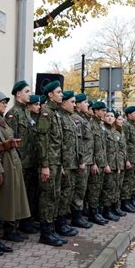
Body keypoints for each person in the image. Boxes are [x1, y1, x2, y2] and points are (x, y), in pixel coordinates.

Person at [0, 91, 31, 252]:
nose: (4, 104)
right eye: (1, 102)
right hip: (1, 168)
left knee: (3, 206)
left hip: (11, 166)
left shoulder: (1, 121)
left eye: (5, 102)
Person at [5, 81, 39, 235]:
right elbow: (11, 141)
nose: (29, 94)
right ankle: (11, 229)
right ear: (18, 94)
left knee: (29, 195)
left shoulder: (26, 112)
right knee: (16, 196)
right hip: (20, 162)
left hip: (30, 161)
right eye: (27, 91)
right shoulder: (13, 114)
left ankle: (26, 223)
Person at [36, 80, 66, 246]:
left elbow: (58, 142)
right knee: (47, 197)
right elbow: (42, 140)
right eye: (59, 92)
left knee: (55, 195)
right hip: (49, 163)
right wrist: (45, 165)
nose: (61, 94)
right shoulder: (46, 112)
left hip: (56, 162)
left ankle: (52, 229)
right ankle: (45, 233)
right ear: (50, 95)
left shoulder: (56, 113)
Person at [55, 90, 80, 237]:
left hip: (72, 163)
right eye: (72, 102)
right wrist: (62, 164)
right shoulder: (60, 118)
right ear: (63, 103)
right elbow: (59, 143)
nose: (74, 105)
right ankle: (60, 223)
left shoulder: (69, 118)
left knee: (68, 193)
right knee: (63, 194)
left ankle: (63, 222)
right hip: (64, 164)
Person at [70, 93, 94, 229]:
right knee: (79, 190)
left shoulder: (83, 118)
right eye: (85, 102)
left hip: (87, 159)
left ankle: (79, 215)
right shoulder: (76, 119)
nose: (87, 105)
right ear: (78, 104)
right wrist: (82, 160)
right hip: (82, 160)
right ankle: (76, 217)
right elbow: (79, 142)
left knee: (82, 189)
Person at [87, 101, 109, 225]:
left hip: (101, 162)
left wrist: (104, 162)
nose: (104, 113)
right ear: (96, 111)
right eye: (102, 110)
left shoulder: (100, 125)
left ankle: (97, 212)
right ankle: (92, 214)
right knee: (94, 189)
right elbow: (90, 146)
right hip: (95, 163)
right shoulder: (92, 124)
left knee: (99, 188)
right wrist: (93, 162)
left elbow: (102, 147)